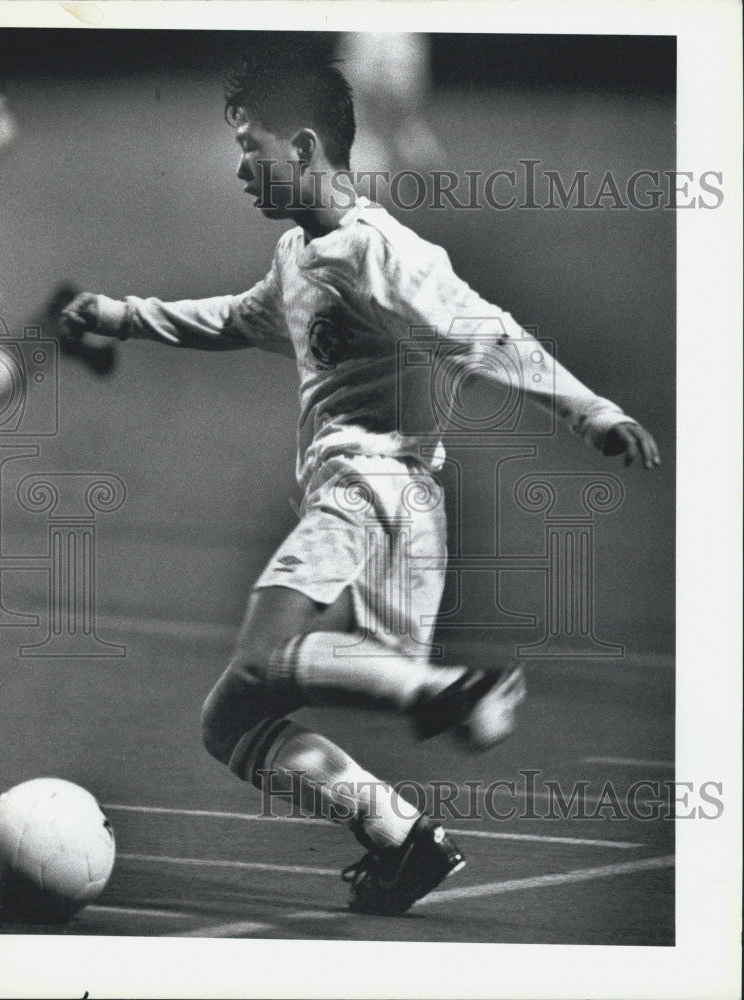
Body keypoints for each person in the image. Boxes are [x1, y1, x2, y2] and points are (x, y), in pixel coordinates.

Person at [60, 52, 660, 916]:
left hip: (373, 492)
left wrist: (590, 409)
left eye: (250, 148)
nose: (238, 169)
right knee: (231, 721)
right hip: (387, 515)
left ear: (304, 147)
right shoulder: (299, 252)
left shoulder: (383, 253)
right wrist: (124, 315)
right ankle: (404, 840)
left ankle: (451, 690)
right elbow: (239, 318)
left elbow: (483, 332)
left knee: (265, 659)